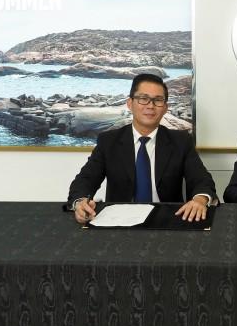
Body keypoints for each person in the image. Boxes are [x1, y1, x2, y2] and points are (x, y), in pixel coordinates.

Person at [67, 73, 216, 223]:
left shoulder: (181, 141)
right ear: (130, 103)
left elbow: (201, 179)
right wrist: (80, 202)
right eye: (143, 99)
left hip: (167, 219)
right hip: (118, 220)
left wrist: (200, 199)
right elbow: (85, 180)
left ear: (165, 108)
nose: (150, 106)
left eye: (158, 100)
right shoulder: (109, 141)